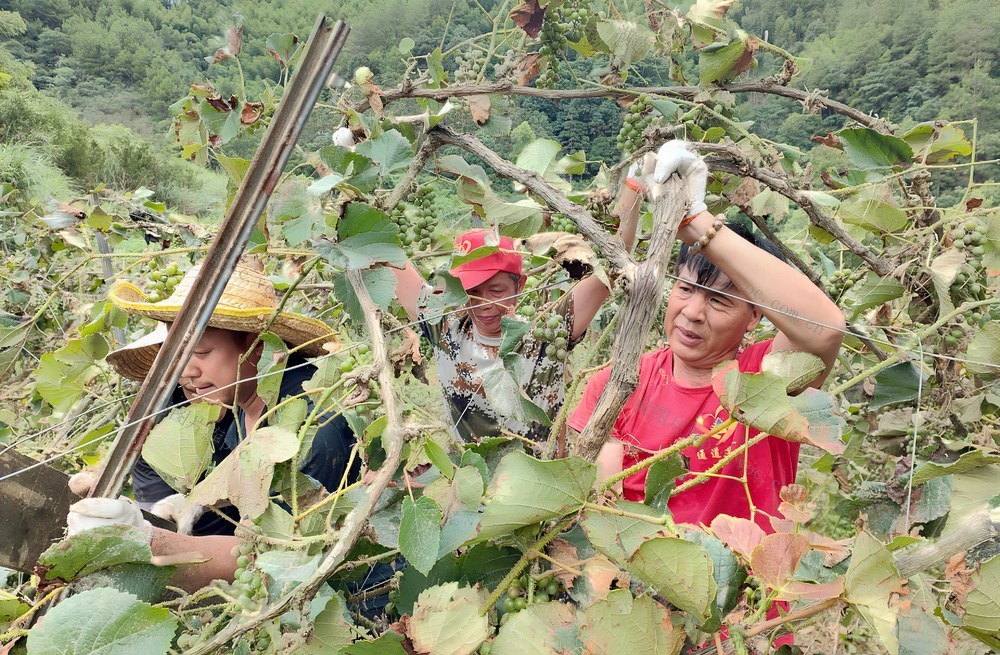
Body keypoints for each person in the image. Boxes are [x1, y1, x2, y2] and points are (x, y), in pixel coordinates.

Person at [568, 141, 846, 532]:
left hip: (745, 591)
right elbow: (602, 507)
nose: (693, 312)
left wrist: (697, 222)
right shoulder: (620, 381)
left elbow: (826, 329)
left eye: (719, 301)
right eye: (684, 289)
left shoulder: (768, 378)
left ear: (755, 317)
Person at [67, 259, 360, 590]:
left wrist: (149, 542)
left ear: (256, 347)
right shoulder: (237, 405)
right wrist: (196, 502)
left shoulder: (310, 427)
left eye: (202, 353)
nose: (185, 372)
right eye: (177, 356)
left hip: (353, 602)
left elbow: (273, 558)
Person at [392, 184, 642, 444]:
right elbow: (387, 255)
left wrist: (634, 184)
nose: (482, 303)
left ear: (520, 285)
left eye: (496, 291)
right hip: (473, 480)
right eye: (471, 290)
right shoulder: (446, 329)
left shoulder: (545, 334)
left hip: (539, 480)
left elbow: (616, 255)